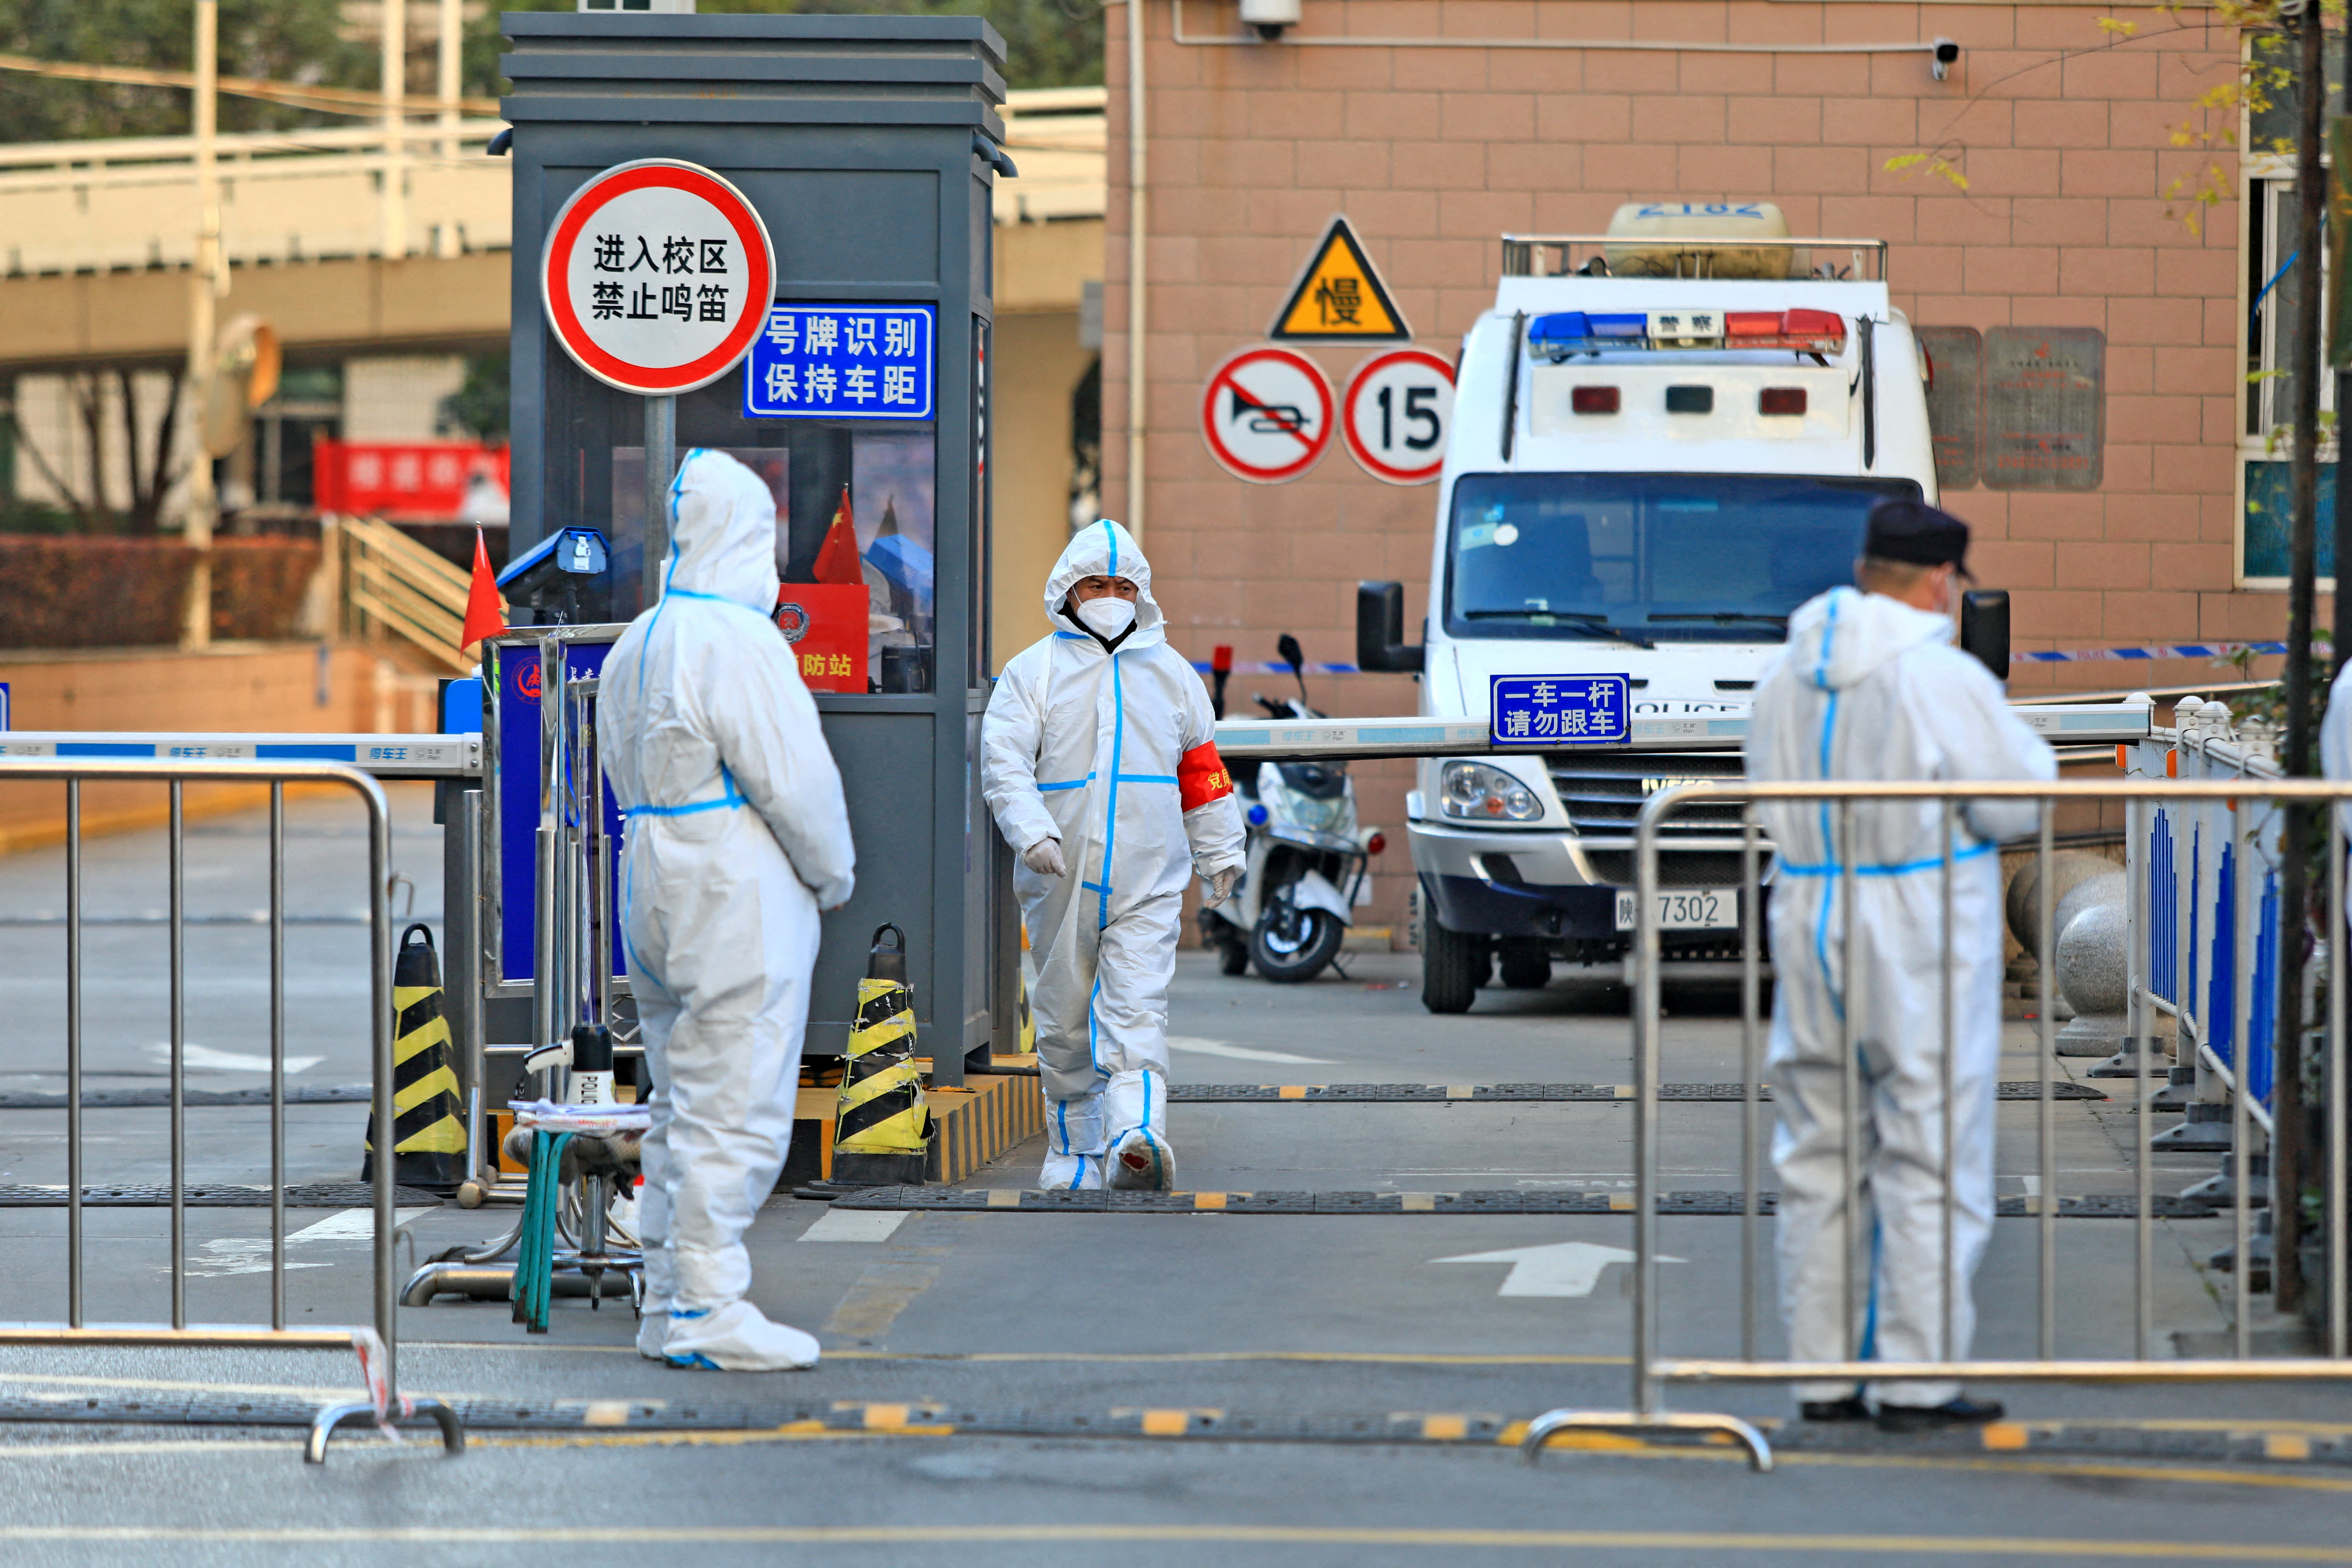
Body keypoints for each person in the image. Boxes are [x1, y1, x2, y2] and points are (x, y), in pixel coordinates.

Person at [1745, 499, 2055, 1432]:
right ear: (1939, 582)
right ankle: (1915, 1379)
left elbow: (1760, 792)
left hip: (1807, 908)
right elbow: (2017, 802)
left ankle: (1823, 1375)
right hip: (1916, 924)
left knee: (1819, 1151)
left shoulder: (1782, 675)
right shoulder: (1938, 674)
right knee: (1929, 1147)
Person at [600, 448, 857, 1371]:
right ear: (750, 536)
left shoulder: (637, 640)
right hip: (732, 891)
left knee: (679, 1101)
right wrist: (832, 875)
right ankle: (710, 1307)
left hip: (652, 881)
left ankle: (668, 1297)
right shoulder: (741, 643)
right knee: (733, 1102)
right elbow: (795, 784)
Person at [981, 519, 1246, 1190]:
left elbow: (1204, 773)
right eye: (1097, 584)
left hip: (1148, 875)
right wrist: (1031, 830)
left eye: (1122, 585)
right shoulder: (1032, 672)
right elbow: (1005, 763)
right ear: (1069, 590)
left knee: (1137, 1004)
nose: (1109, 595)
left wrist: (1221, 852)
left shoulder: (1175, 677)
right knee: (1064, 1016)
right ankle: (1072, 1149)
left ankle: (1137, 1136)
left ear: (1142, 593)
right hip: (1058, 875)